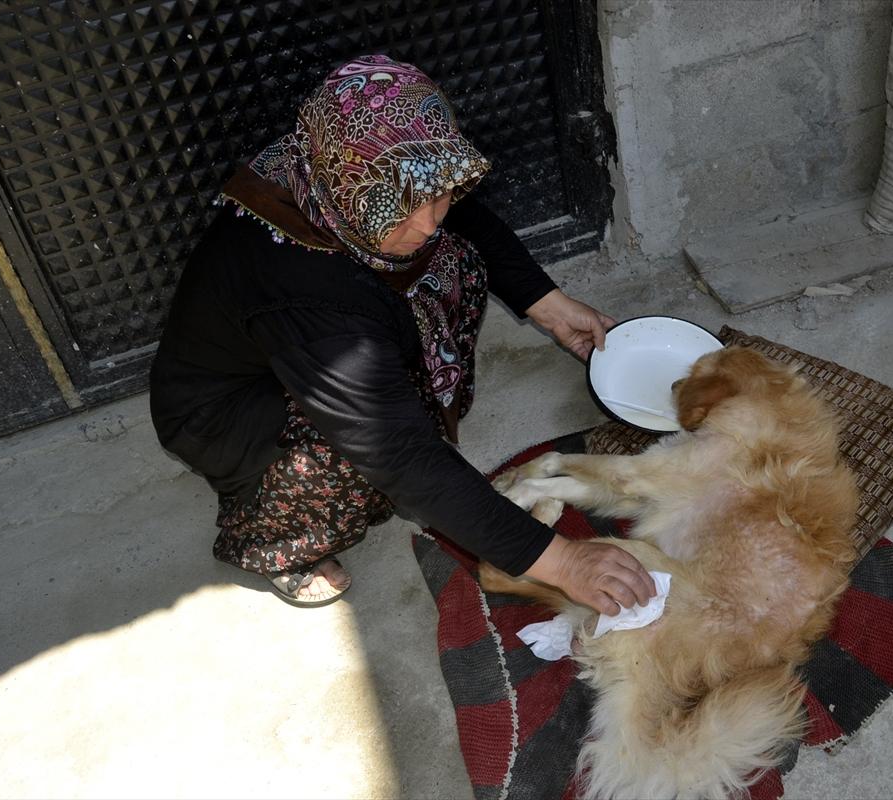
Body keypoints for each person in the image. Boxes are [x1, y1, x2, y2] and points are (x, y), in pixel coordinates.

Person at [149, 54, 654, 613]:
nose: (427, 221)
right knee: (349, 459)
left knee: (448, 254)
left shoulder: (333, 171)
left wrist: (551, 307)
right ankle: (274, 543)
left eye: (435, 194)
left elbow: (466, 220)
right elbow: (400, 454)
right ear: (348, 185)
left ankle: (398, 387)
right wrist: (561, 560)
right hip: (226, 412)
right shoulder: (308, 291)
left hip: (306, 343)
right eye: (402, 209)